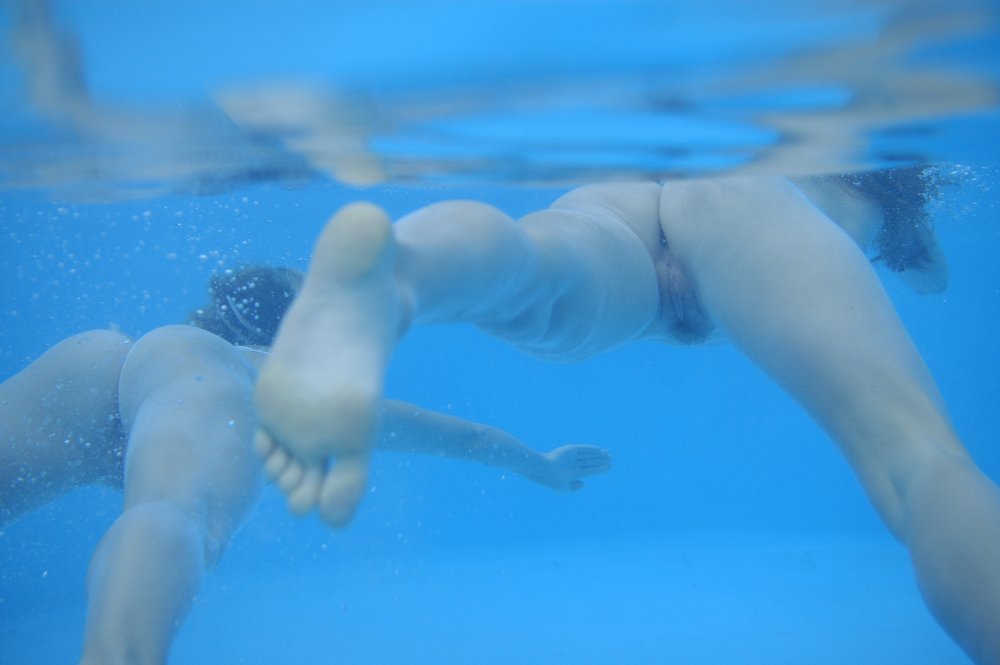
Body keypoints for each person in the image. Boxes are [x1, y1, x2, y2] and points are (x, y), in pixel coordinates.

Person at [253, 169, 1000, 664]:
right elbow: (933, 279)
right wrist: (904, 209)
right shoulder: (865, 183)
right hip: (751, 206)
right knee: (918, 460)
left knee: (536, 272)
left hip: (620, 195)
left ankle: (403, 271)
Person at [0, 265, 612, 664]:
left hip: (85, 362)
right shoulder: (257, 379)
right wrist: (544, 468)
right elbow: (470, 438)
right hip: (183, 371)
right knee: (181, 512)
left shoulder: (173, 358)